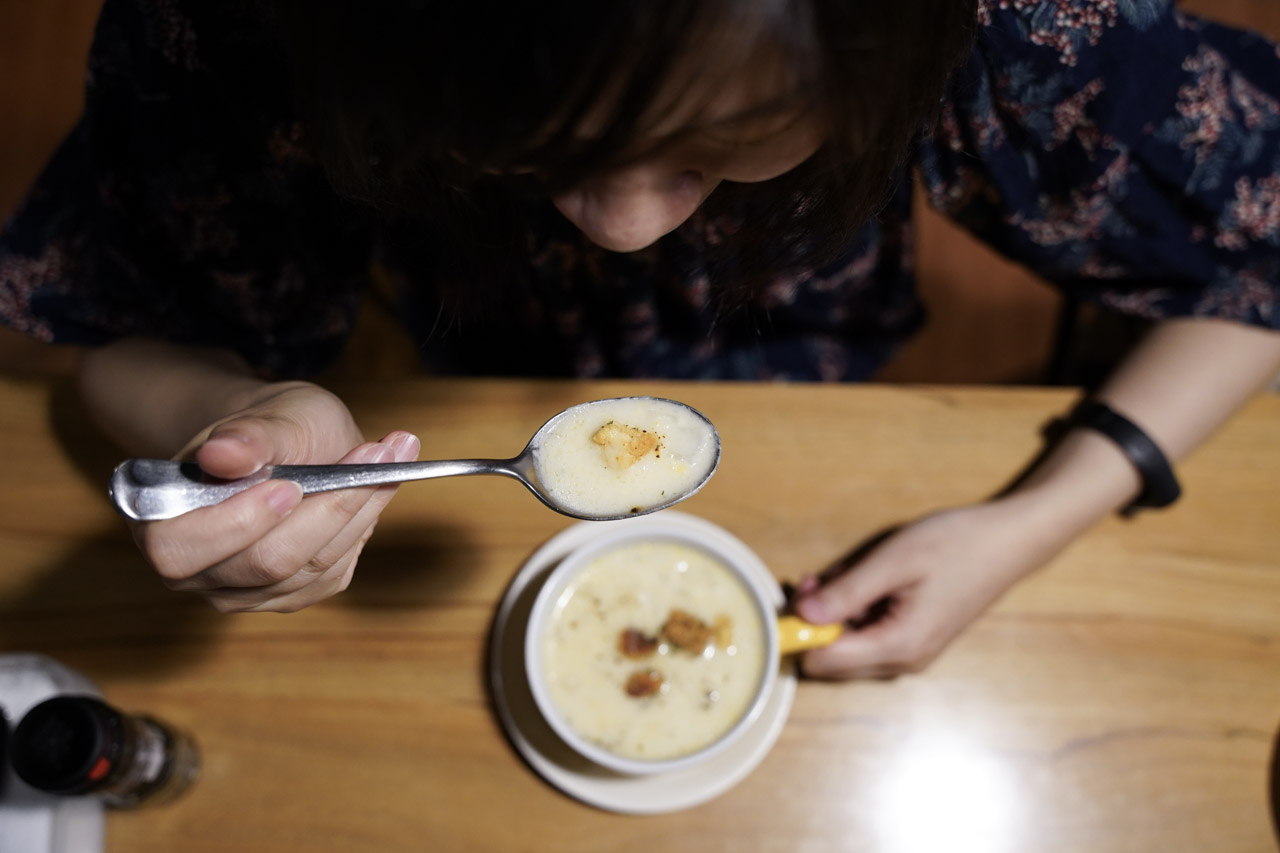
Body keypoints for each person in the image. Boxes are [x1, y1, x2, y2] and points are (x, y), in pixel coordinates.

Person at [2, 0, 1278, 680]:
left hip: (811, 353)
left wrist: (1029, 519)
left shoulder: (1015, 18)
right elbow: (110, 320)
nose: (617, 228)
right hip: (458, 342)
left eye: (714, 146)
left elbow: (1260, 245)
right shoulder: (244, 23)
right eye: (535, 144)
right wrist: (240, 413)